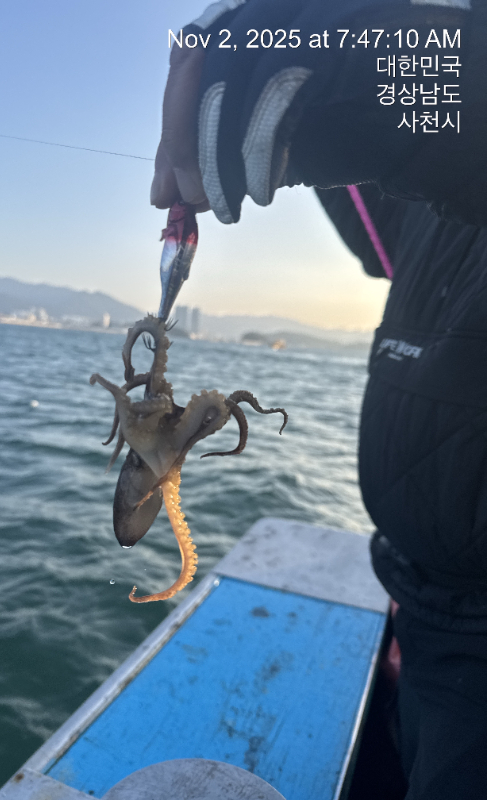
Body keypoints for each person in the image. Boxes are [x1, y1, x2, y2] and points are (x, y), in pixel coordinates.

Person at [150, 1, 487, 798]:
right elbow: (383, 230)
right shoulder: (441, 196)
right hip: (426, 613)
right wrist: (314, 113)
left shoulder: (454, 81)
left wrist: (415, 71)